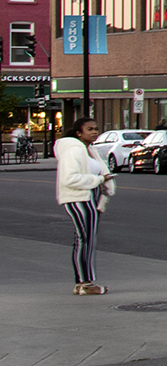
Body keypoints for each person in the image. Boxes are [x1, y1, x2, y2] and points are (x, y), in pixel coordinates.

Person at [56, 115, 116, 295]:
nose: (95, 132)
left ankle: (82, 283)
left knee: (86, 239)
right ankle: (85, 283)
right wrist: (98, 179)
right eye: (89, 129)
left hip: (90, 196)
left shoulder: (89, 149)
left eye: (96, 129)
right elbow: (69, 178)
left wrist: (104, 183)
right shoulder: (74, 150)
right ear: (78, 133)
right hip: (79, 198)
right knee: (85, 240)